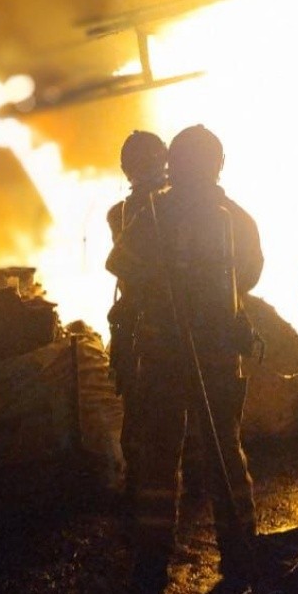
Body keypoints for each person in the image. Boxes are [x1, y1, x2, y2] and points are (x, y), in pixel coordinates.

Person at [107, 124, 262, 591]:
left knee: (158, 456)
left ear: (173, 164)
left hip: (162, 355)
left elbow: (121, 266)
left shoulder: (152, 214)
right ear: (218, 164)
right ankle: (239, 554)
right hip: (217, 353)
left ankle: (152, 562)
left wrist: (160, 282)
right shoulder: (234, 216)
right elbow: (251, 273)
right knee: (224, 453)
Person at [106, 130, 168, 399]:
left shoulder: (121, 213)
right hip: (161, 329)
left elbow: (121, 267)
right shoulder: (182, 207)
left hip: (143, 330)